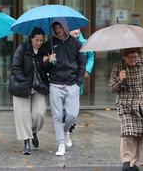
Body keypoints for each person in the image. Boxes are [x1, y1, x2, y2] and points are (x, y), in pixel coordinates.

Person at [108, 48, 143, 171]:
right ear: (124, 57)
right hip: (125, 105)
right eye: (130, 57)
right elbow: (111, 88)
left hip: (141, 106)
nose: (133, 60)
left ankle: (133, 164)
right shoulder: (118, 66)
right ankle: (126, 162)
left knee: (138, 134)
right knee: (127, 132)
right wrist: (120, 80)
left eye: (136, 57)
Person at [44, 20, 86, 156]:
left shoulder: (76, 43)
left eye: (59, 27)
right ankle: (61, 144)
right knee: (57, 116)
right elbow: (44, 66)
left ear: (65, 27)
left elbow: (82, 65)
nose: (57, 30)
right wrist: (49, 61)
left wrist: (78, 83)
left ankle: (66, 130)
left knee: (72, 115)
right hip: (55, 83)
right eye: (55, 28)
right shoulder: (49, 43)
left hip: (72, 84)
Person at [8, 27, 49, 155]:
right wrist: (24, 80)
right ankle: (26, 141)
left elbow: (46, 70)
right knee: (23, 115)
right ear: (31, 38)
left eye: (41, 40)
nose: (39, 43)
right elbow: (15, 67)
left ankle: (33, 131)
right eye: (37, 40)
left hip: (38, 86)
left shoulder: (44, 52)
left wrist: (48, 62)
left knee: (40, 114)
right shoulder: (22, 49)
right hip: (22, 86)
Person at [68, 29, 95, 142]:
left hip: (78, 77)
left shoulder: (85, 43)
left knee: (74, 100)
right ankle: (68, 122)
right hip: (65, 76)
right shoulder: (64, 42)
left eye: (78, 28)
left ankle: (72, 120)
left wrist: (87, 70)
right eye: (74, 29)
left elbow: (91, 57)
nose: (76, 31)